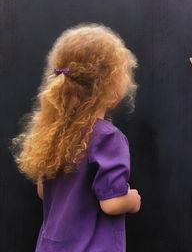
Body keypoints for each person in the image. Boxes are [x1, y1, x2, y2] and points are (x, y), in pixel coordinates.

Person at [10, 22, 141, 252]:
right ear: (112, 81)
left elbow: (43, 192)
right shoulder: (108, 138)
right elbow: (111, 204)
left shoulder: (53, 132)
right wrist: (132, 200)